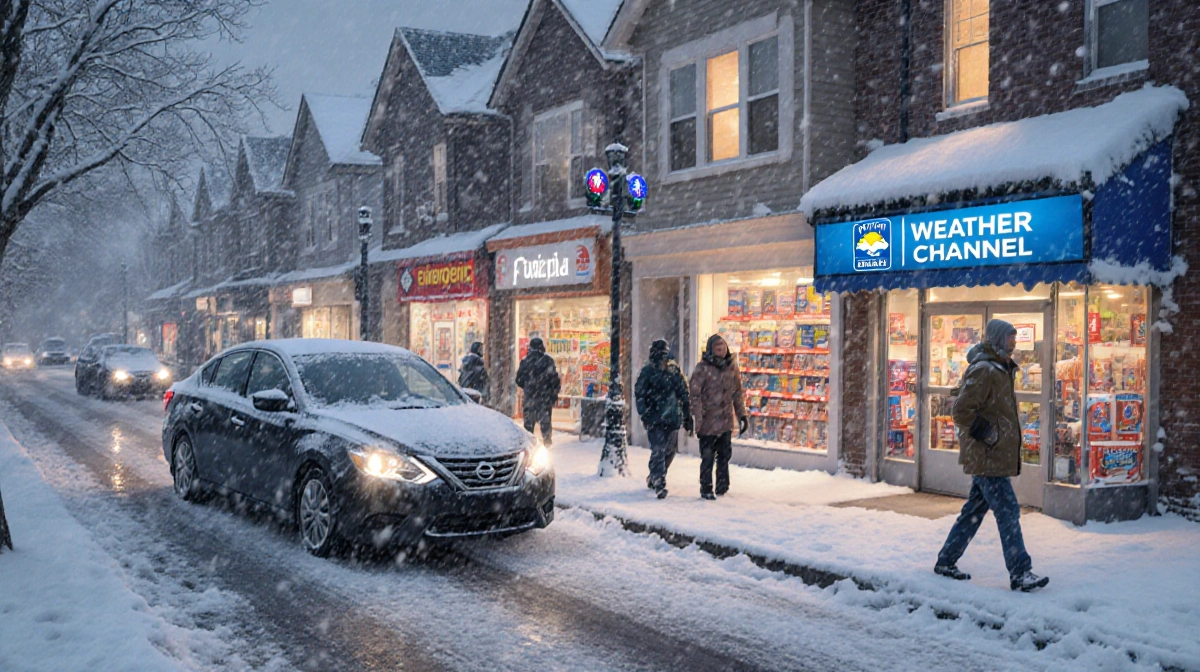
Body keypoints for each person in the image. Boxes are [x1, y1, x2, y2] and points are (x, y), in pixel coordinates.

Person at [934, 319, 1050, 592]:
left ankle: (946, 561)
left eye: (1015, 338)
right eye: (1010, 338)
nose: (1014, 343)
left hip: (992, 453)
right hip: (987, 455)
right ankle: (1020, 572)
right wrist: (988, 433)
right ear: (998, 339)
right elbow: (962, 411)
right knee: (1008, 511)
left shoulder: (1000, 368)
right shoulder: (985, 370)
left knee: (974, 511)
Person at [689, 334, 747, 500]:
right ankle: (706, 487)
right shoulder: (702, 368)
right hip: (708, 421)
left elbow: (737, 393)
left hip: (725, 420)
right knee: (707, 456)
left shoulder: (731, 367)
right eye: (717, 347)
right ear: (710, 349)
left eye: (723, 346)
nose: (721, 350)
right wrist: (698, 418)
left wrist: (742, 414)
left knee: (724, 455)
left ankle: (722, 486)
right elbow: (695, 395)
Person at [635, 339, 692, 499]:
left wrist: (687, 415)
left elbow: (683, 392)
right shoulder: (647, 372)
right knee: (658, 449)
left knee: (669, 451)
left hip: (672, 417)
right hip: (654, 417)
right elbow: (639, 393)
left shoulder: (674, 371)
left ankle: (654, 475)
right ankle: (660, 482)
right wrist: (644, 413)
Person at [515, 337, 560, 445]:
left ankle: (529, 444)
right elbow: (555, 380)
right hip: (545, 398)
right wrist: (552, 393)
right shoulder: (548, 361)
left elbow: (518, 379)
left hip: (530, 397)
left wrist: (528, 387)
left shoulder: (525, 361)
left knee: (528, 424)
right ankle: (547, 443)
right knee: (545, 423)